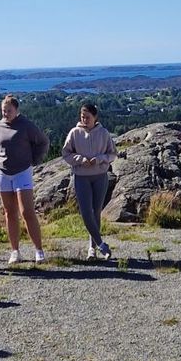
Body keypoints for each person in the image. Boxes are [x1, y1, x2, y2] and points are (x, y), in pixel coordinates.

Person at [0, 94, 50, 265]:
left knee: (27, 211)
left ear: (17, 110)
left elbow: (43, 142)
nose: (6, 113)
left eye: (9, 110)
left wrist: (34, 160)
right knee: (9, 212)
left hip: (22, 171)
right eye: (3, 111)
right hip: (2, 173)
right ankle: (15, 251)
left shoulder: (26, 125)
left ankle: (39, 251)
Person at [61, 102, 117, 262]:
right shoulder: (74, 133)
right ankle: (101, 244)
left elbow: (112, 154)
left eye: (87, 117)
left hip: (100, 176)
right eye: (82, 116)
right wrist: (80, 160)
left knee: (96, 212)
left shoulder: (104, 133)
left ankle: (92, 248)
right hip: (81, 177)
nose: (84, 119)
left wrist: (99, 159)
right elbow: (66, 153)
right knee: (86, 213)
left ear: (95, 117)